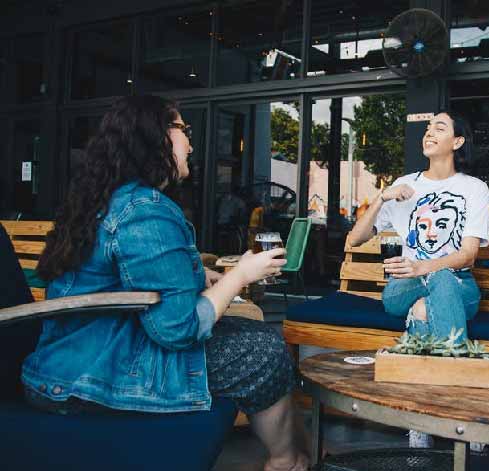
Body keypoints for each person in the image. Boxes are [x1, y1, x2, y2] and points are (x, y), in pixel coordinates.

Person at [23, 96, 308, 471]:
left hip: (71, 361)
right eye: (183, 130)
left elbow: (127, 280)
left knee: (249, 331)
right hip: (88, 377)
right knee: (264, 349)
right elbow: (177, 330)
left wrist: (200, 275)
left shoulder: (111, 200)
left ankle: (293, 455)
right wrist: (240, 276)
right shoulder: (145, 211)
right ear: (155, 137)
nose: (191, 143)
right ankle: (288, 462)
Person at [346, 110, 489, 449]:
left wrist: (425, 267)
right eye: (427, 128)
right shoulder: (405, 186)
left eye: (439, 127)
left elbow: (468, 255)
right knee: (428, 286)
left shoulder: (473, 189)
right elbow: (354, 239)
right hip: (401, 290)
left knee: (426, 308)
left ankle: (420, 422)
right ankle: (463, 412)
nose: (429, 132)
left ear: (457, 141)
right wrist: (382, 197)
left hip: (458, 286)